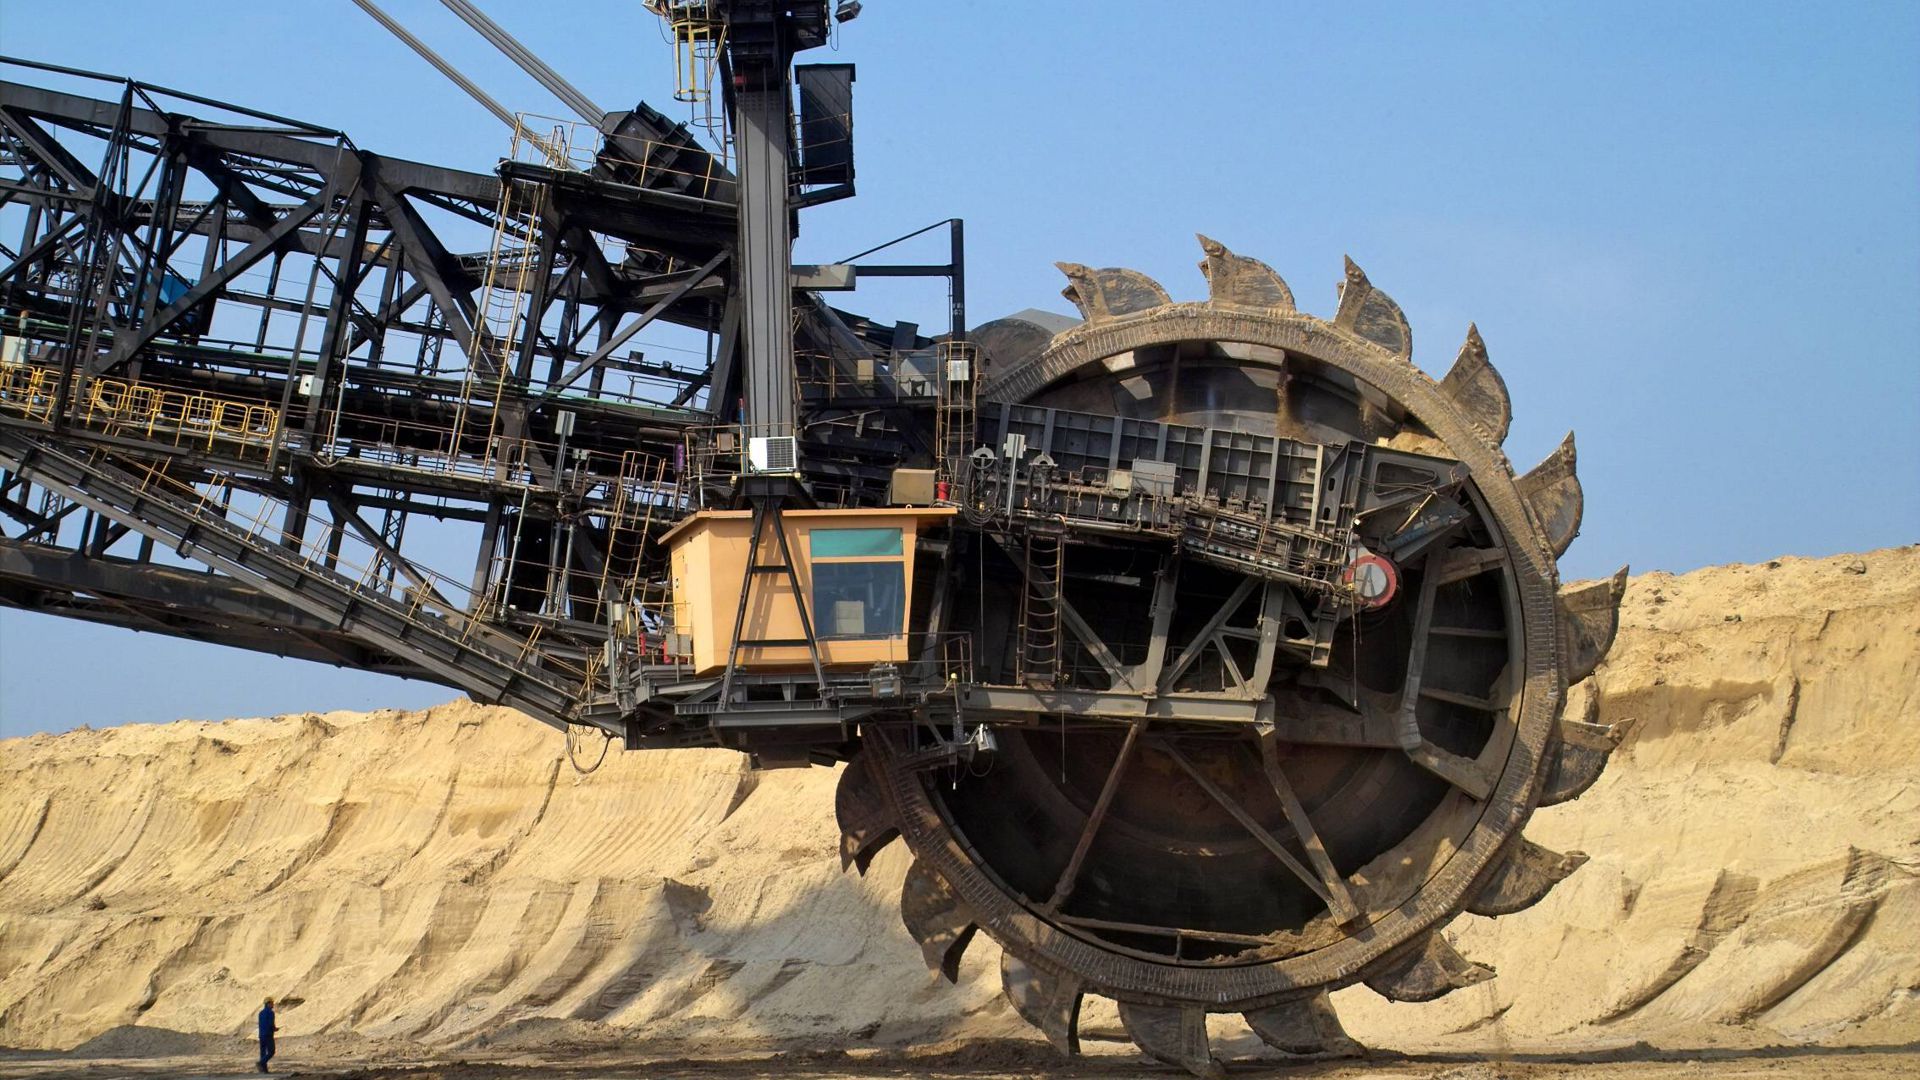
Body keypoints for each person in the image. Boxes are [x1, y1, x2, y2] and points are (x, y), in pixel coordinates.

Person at [256, 998, 276, 1073]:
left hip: (261, 1035)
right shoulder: (271, 1012)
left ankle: (264, 1070)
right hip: (268, 1034)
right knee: (271, 1051)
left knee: (263, 1052)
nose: (273, 1004)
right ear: (268, 1004)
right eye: (272, 1003)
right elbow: (271, 1024)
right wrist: (274, 1029)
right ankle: (261, 1063)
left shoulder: (260, 1013)